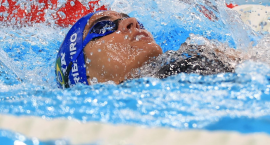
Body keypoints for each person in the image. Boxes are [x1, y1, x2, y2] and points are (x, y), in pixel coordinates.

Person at [55, 10, 248, 88]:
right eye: (103, 26)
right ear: (86, 77)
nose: (132, 22)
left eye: (130, 18)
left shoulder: (189, 58)